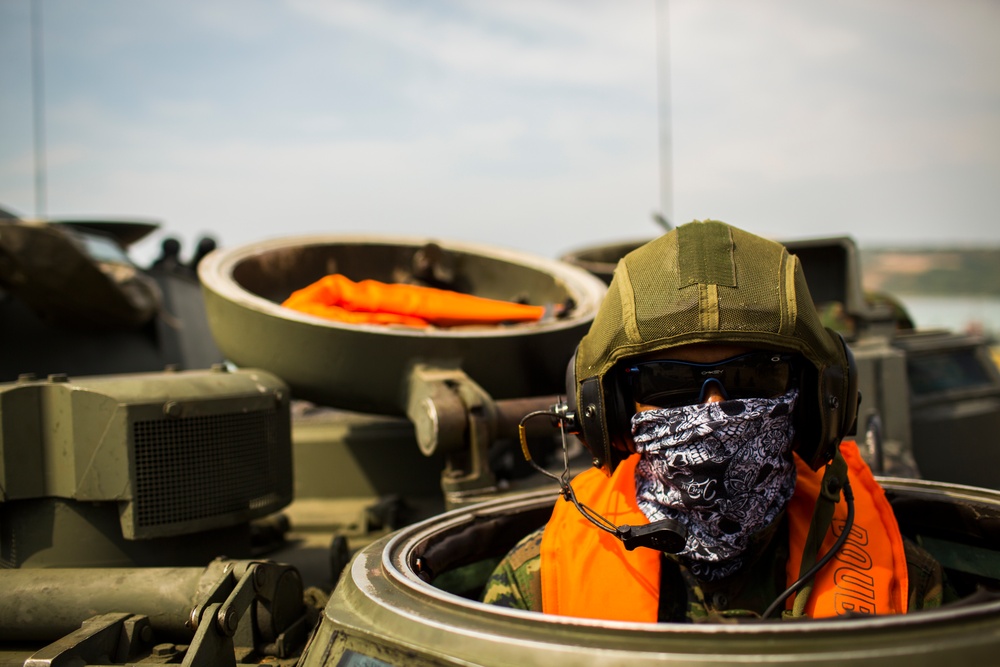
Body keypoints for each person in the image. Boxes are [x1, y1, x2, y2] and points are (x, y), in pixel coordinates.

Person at [481, 220, 946, 622]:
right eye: (667, 381)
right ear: (613, 411)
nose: (714, 408)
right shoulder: (537, 587)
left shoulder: (905, 585)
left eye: (755, 374)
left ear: (816, 399)